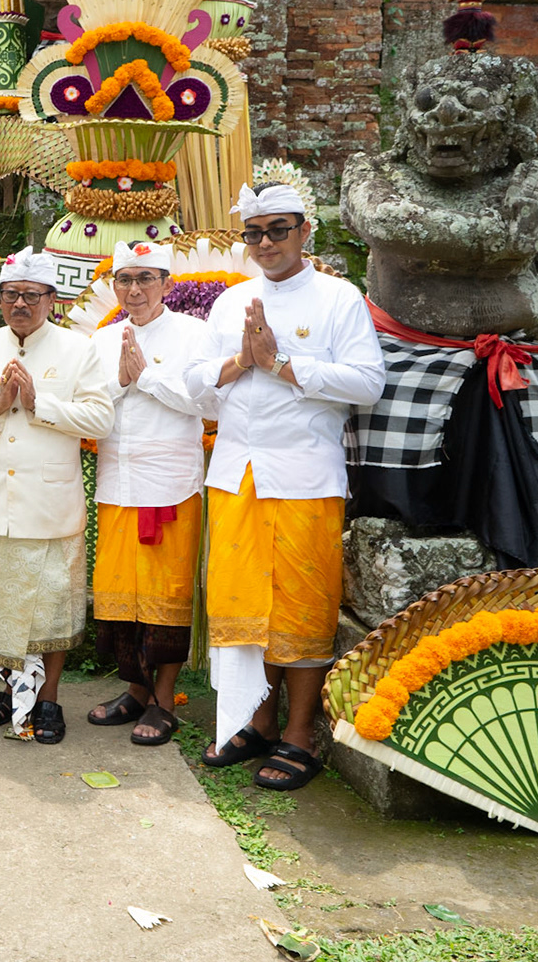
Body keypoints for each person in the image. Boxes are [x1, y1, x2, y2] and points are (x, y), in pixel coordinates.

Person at [184, 183, 386, 791]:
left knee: (301, 605)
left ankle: (300, 734)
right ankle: (256, 720)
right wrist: (241, 362)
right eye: (254, 232)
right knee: (240, 603)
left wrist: (281, 364)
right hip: (235, 475)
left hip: (303, 476)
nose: (265, 242)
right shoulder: (230, 302)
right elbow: (194, 386)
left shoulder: (338, 297)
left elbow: (368, 383)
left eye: (278, 230)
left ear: (304, 231)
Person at [0, 247, 115, 744]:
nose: (19, 304)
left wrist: (41, 404)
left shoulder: (78, 349)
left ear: (51, 298)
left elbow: (100, 419)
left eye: (30, 295)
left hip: (51, 504)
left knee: (51, 610)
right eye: (10, 294)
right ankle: (9, 694)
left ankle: (48, 700)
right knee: (1, 606)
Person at [85, 239, 218, 747]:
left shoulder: (194, 334)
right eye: (125, 279)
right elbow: (88, 407)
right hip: (117, 484)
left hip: (171, 486)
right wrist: (121, 383)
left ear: (166, 283)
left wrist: (148, 378)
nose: (134, 289)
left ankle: (164, 700)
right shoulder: (102, 339)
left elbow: (209, 403)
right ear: (115, 286)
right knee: (120, 595)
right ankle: (135, 691)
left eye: (145, 279)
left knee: (167, 595)